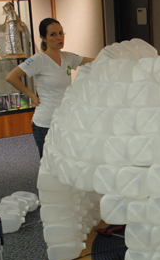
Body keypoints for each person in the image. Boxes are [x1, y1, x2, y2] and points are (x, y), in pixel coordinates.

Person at [6, 18, 94, 157]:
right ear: (43, 38)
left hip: (64, 120)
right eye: (53, 34)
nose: (59, 37)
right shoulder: (38, 60)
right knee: (48, 164)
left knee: (65, 161)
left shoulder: (68, 57)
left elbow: (93, 61)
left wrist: (115, 55)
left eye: (61, 33)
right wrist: (32, 95)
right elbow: (11, 77)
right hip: (45, 123)